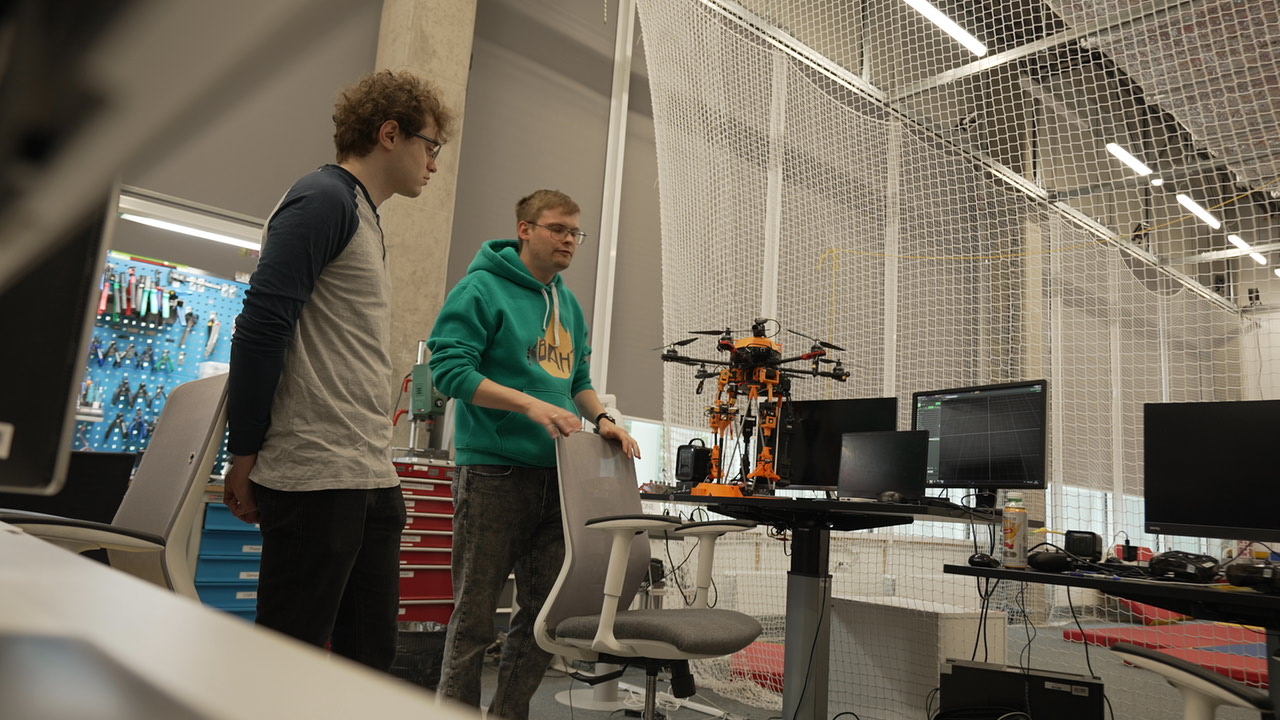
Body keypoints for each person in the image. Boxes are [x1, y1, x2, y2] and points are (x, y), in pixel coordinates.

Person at [223, 70, 454, 671]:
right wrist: (243, 452)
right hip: (315, 477)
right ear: (389, 134)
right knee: (288, 665)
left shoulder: (364, 215)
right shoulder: (322, 199)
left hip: (367, 475)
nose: (434, 163)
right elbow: (261, 328)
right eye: (430, 145)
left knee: (368, 667)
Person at [427, 189, 641, 719]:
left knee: (545, 619)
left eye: (575, 232)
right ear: (525, 229)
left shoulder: (569, 305)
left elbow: (578, 381)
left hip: (560, 479)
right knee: (474, 618)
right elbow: (449, 372)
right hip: (493, 473)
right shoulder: (480, 289)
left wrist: (604, 420)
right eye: (557, 229)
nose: (569, 240)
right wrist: (529, 404)